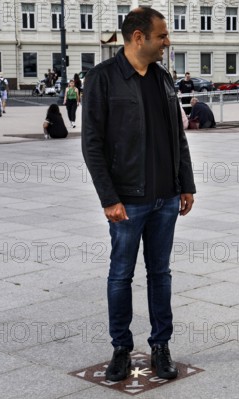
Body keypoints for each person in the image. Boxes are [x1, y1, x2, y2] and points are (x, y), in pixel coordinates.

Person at [81, 7, 196, 382]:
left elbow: (178, 136)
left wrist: (187, 183)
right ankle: (121, 349)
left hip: (165, 197)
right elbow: (92, 145)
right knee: (120, 275)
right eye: (162, 36)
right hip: (127, 200)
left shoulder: (163, 78)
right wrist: (108, 198)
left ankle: (161, 346)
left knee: (160, 274)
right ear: (138, 38)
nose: (167, 41)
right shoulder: (102, 79)